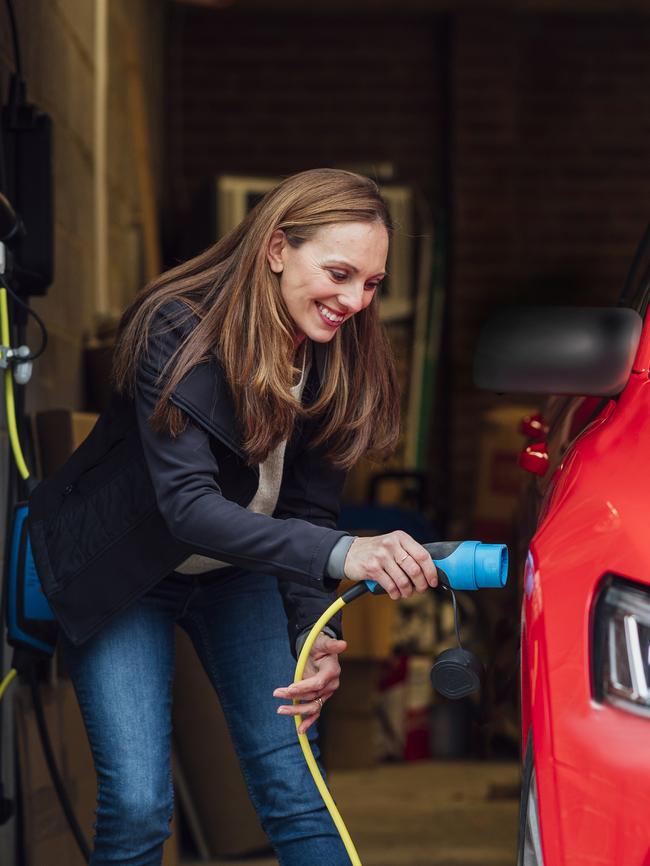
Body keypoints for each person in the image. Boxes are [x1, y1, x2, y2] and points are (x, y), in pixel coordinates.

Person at [28, 167, 438, 866]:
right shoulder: (177, 328)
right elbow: (188, 509)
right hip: (126, 573)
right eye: (339, 273)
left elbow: (309, 509)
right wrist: (349, 555)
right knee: (135, 804)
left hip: (237, 575)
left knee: (295, 784)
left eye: (371, 284)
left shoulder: (338, 358)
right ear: (277, 248)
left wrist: (317, 631)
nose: (354, 301)